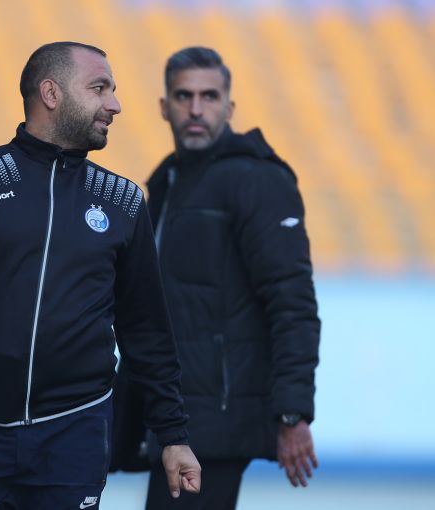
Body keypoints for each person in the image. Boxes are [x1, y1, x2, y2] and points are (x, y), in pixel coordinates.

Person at [0, 41, 201, 510]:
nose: (115, 104)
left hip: (74, 434)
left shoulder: (122, 201)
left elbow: (147, 330)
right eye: (99, 88)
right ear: (51, 93)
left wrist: (173, 436)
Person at [136, 46, 321, 509]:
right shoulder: (166, 182)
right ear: (164, 107)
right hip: (174, 417)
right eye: (184, 96)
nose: (196, 109)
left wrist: (292, 412)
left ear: (230, 106)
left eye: (209, 96)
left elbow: (292, 302)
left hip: (216, 420)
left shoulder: (257, 180)